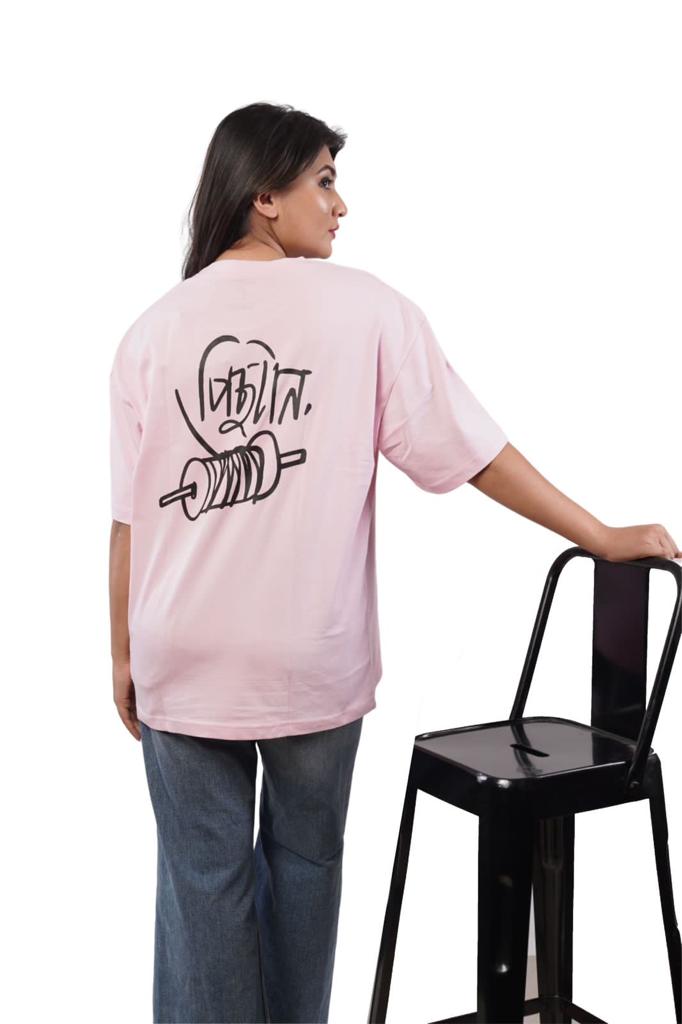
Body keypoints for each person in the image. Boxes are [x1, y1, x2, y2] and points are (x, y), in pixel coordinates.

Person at [108, 102, 681, 1024]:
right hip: (309, 658)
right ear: (263, 195)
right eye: (324, 180)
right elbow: (476, 454)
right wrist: (599, 534)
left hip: (181, 648)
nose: (342, 205)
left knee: (199, 883)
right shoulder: (367, 310)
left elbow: (131, 521)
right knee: (306, 867)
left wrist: (122, 653)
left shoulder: (153, 331)